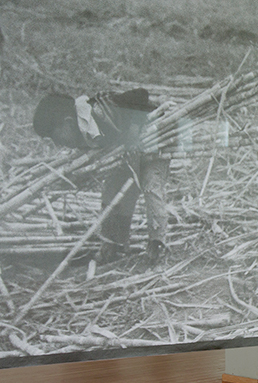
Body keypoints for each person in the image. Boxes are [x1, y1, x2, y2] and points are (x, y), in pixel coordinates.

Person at [33, 88, 168, 264]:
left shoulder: (99, 111)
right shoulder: (84, 132)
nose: (57, 144)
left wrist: (134, 133)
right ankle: (113, 245)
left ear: (67, 122)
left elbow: (140, 95)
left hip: (153, 146)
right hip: (127, 156)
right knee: (112, 191)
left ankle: (157, 246)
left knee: (151, 189)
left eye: (55, 137)